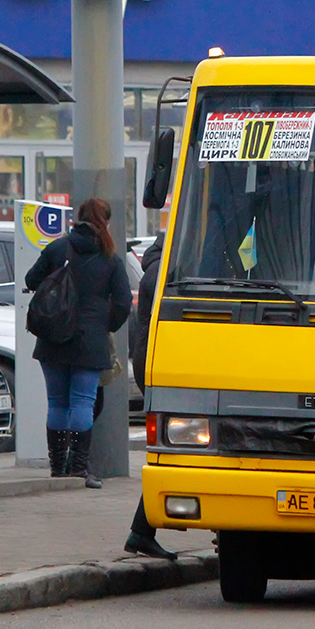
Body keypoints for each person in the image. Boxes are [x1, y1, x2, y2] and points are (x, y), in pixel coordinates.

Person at [26, 198, 132, 488]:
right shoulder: (110, 257)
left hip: (53, 337)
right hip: (90, 339)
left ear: (78, 219)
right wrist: (103, 324)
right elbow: (123, 303)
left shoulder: (58, 247)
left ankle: (58, 468)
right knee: (83, 402)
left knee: (57, 403)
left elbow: (31, 279)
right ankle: (78, 469)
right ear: (105, 222)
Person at [123, 230, 177, 560]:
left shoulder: (158, 264)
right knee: (171, 450)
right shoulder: (161, 271)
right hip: (159, 362)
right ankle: (141, 531)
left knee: (171, 451)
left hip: (155, 360)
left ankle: (141, 531)